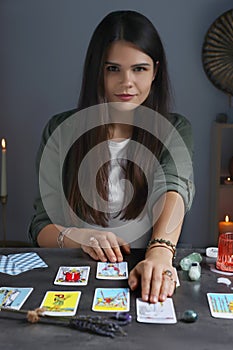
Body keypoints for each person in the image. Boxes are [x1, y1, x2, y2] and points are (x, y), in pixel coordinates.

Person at [29, 10, 195, 303]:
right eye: (113, 69)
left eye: (139, 69)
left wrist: (159, 255)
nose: (127, 82)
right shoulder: (59, 130)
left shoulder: (175, 129)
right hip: (76, 272)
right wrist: (81, 237)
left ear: (155, 71)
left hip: (147, 270)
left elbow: (174, 188)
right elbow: (41, 227)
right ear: (97, 71)